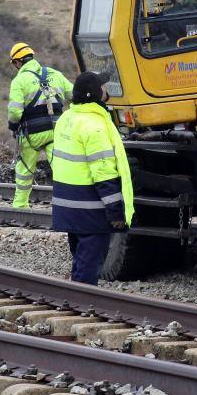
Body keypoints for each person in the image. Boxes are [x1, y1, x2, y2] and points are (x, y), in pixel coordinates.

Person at [52, 71, 134, 285]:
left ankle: (76, 301)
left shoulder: (66, 119)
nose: (106, 90)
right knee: (89, 267)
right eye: (102, 87)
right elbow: (104, 174)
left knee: (80, 261)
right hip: (89, 209)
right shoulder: (94, 126)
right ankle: (82, 306)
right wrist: (116, 212)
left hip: (68, 206)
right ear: (94, 94)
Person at [7, 42, 73, 209]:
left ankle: (20, 206)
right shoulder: (55, 74)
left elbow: (15, 113)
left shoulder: (19, 81)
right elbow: (74, 95)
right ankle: (66, 205)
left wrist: (13, 127)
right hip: (57, 131)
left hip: (32, 134)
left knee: (25, 171)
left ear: (18, 62)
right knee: (60, 169)